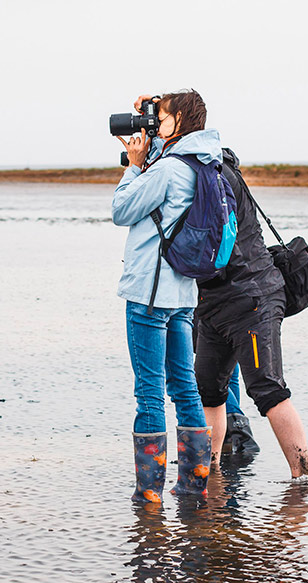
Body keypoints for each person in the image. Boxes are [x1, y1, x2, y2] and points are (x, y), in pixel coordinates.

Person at [112, 90, 218, 503]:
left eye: (163, 118)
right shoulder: (203, 162)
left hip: (148, 293)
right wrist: (149, 119)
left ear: (181, 123)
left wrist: (133, 167)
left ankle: (149, 495)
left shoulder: (168, 170)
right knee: (185, 389)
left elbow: (122, 210)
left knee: (150, 393)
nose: (156, 125)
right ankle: (193, 487)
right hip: (183, 293)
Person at [193, 147, 308, 479]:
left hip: (250, 299)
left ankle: (302, 483)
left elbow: (217, 240)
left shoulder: (216, 175)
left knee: (268, 390)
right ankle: (210, 476)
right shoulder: (203, 170)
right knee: (209, 391)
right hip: (215, 303)